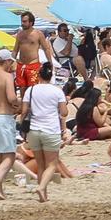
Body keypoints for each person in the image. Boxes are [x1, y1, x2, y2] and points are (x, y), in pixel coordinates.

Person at [23, 60, 69, 202]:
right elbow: (64, 112)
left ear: (39, 76)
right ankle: (42, 187)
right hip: (50, 129)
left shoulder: (30, 90)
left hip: (34, 130)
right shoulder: (57, 91)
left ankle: (43, 194)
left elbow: (24, 111)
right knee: (52, 163)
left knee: (41, 163)